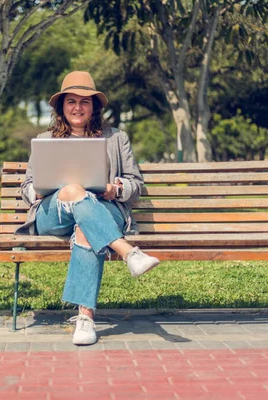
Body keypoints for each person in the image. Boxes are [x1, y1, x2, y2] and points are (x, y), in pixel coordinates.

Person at [15, 71, 160, 345]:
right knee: (71, 189)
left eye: (85, 101)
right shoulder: (45, 141)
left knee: (85, 227)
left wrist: (115, 189)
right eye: (71, 101)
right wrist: (43, 188)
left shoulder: (116, 138)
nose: (78, 107)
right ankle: (128, 253)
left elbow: (135, 186)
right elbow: (27, 188)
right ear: (61, 106)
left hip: (104, 209)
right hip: (53, 214)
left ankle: (85, 319)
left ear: (94, 107)